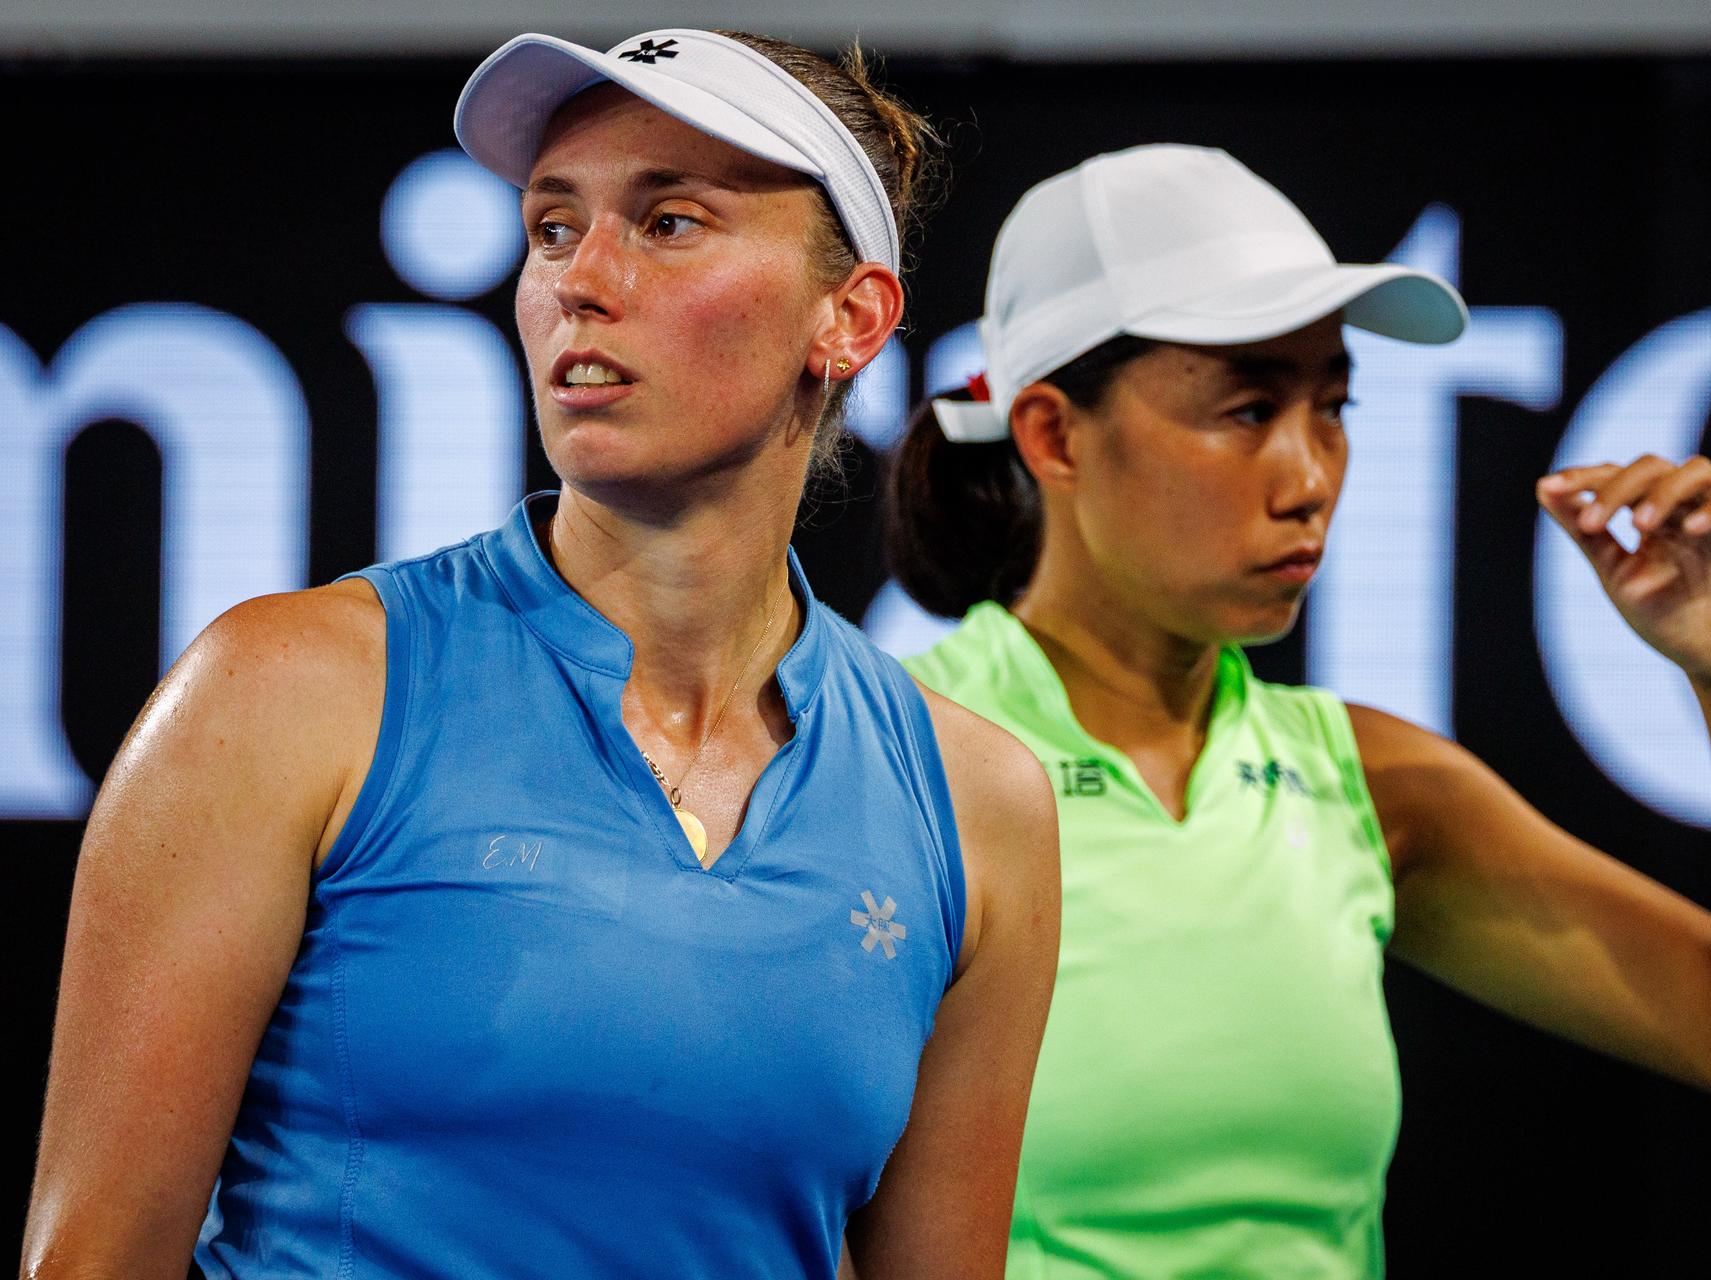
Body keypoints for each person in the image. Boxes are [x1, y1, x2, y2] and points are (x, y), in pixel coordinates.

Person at [22, 29, 1059, 1280]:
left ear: (848, 318)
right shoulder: (280, 692)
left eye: (669, 222)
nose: (582, 278)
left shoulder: (979, 804)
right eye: (554, 227)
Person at [887, 144, 1711, 1278]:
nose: (1310, 475)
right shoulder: (895, 759)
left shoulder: (1368, 780)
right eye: (1249, 407)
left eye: (1332, 406)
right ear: (1054, 434)